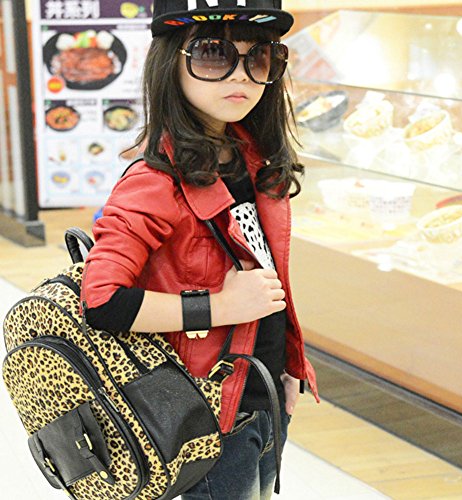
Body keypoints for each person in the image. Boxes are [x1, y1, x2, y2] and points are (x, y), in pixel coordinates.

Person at [81, 1, 319, 498]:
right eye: (213, 54)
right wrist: (220, 307)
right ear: (171, 62)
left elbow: (266, 278)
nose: (242, 75)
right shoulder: (153, 181)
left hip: (261, 398)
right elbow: (101, 301)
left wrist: (285, 368)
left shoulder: (252, 158)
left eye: (259, 57)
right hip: (203, 418)